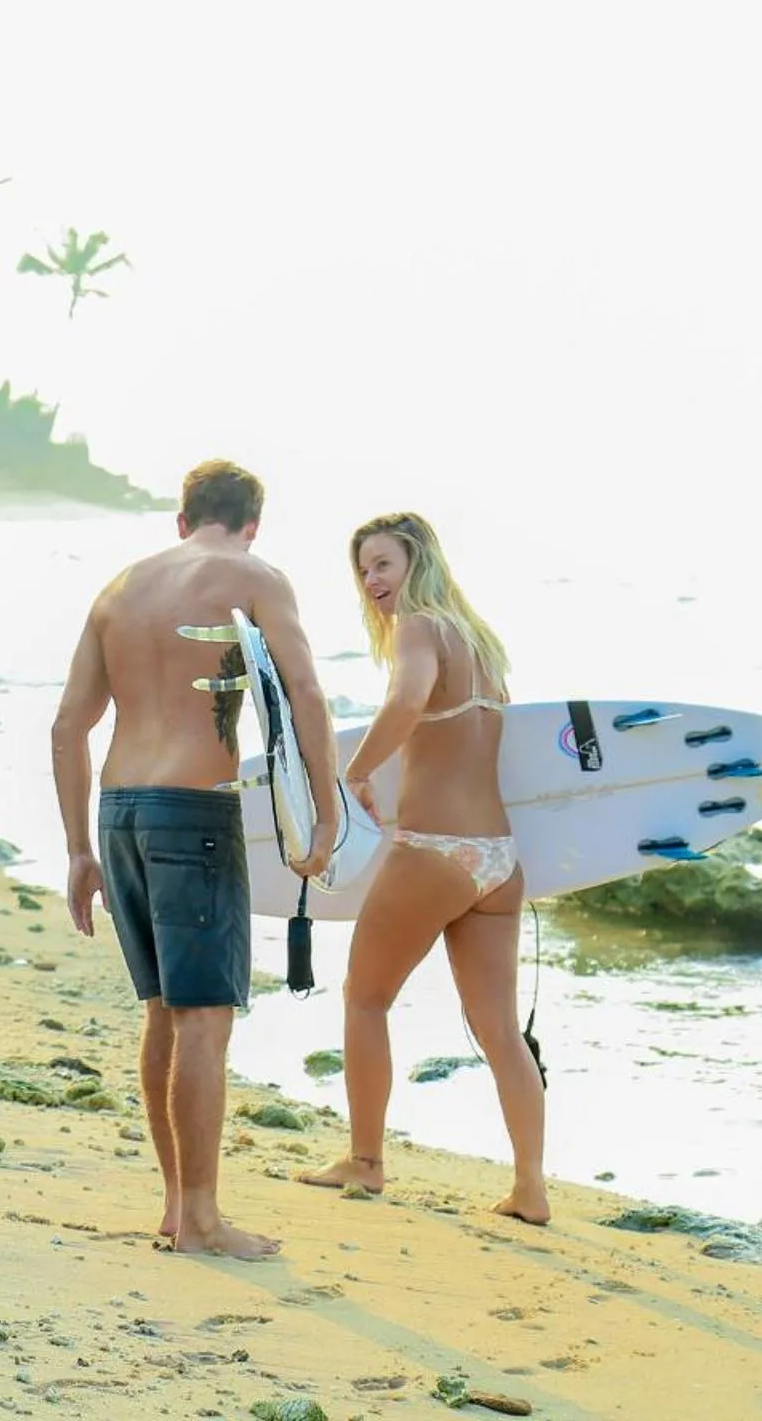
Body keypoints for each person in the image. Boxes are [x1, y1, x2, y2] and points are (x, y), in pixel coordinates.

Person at [51, 460, 340, 1260]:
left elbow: (68, 727)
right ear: (253, 522)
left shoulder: (119, 588)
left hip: (119, 813)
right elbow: (308, 695)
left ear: (182, 520)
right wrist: (330, 806)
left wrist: (78, 849)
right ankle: (206, 1223)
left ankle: (179, 1206)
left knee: (162, 1013)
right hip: (194, 813)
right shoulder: (254, 576)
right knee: (203, 1018)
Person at [298, 512, 550, 1225]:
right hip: (498, 861)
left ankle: (367, 1161)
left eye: (383, 564)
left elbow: (407, 701)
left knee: (365, 998)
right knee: (498, 1030)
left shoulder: (418, 629)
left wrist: (356, 770)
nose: (373, 581)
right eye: (363, 570)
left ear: (417, 563)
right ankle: (530, 1189)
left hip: (434, 851)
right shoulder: (481, 643)